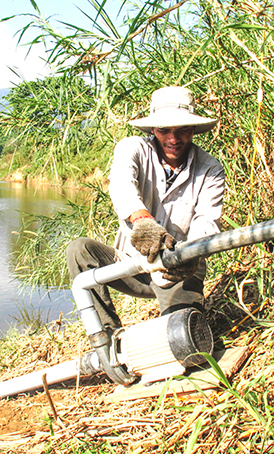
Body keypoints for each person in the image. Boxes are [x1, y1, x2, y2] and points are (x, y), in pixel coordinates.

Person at [66, 86, 225, 331]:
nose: (174, 139)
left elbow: (207, 222)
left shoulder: (210, 169)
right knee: (79, 250)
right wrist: (142, 220)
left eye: (183, 130)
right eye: (164, 130)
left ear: (193, 129)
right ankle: (109, 336)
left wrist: (190, 255)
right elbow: (122, 185)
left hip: (177, 269)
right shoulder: (133, 148)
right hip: (132, 264)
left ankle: (181, 316)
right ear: (153, 129)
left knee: (184, 338)